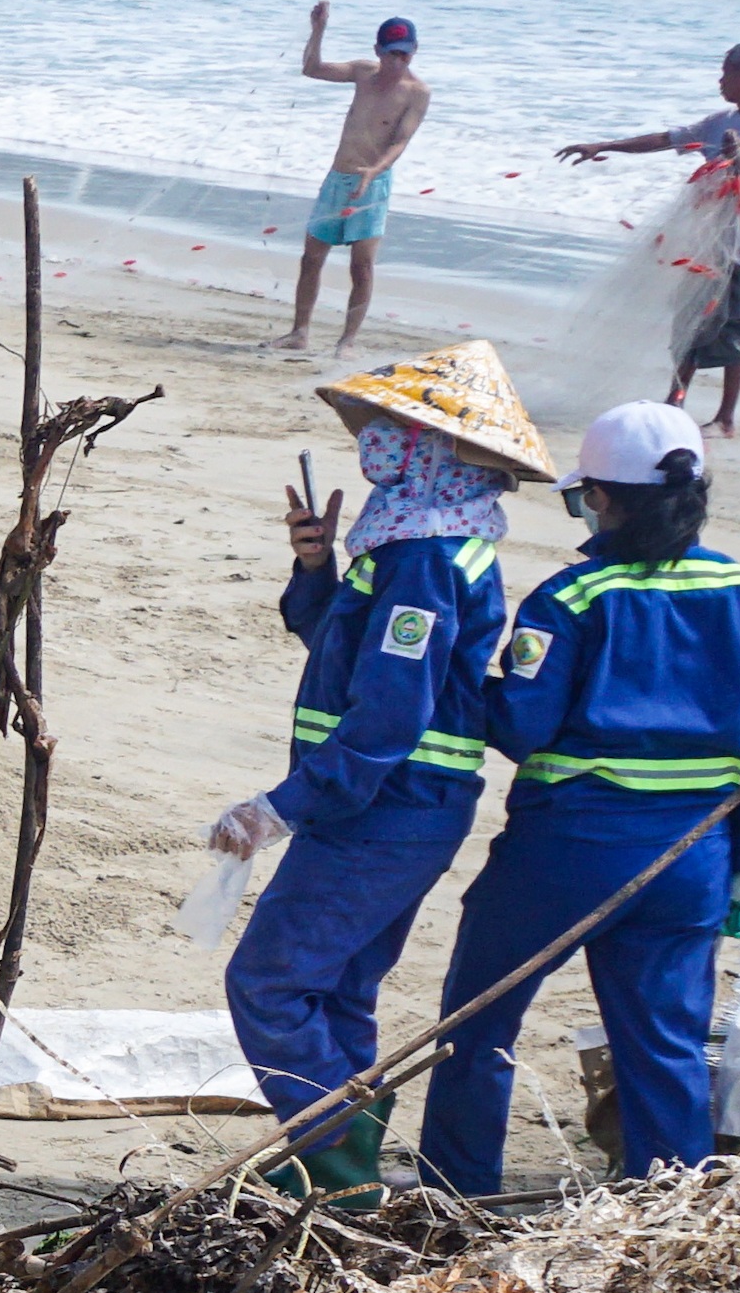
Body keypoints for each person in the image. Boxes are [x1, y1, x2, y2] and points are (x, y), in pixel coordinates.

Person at [414, 400, 740, 1197]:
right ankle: (671, 1210)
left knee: (478, 1023)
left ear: (604, 499)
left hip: (568, 851)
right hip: (693, 855)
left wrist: (460, 678)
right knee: (664, 1042)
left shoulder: (571, 600)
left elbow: (523, 726)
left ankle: (460, 1190)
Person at [207, 340, 544, 1201]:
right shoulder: (414, 542)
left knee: (269, 980)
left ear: (440, 451)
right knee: (343, 988)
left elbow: (390, 714)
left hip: (386, 806)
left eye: (398, 430)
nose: (378, 444)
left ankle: (337, 1158)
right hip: (399, 804)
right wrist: (316, 568)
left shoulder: (429, 559)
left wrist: (281, 808)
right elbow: (341, 649)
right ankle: (339, 1154)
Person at [559, 45, 740, 435]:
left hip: (737, 249)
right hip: (701, 246)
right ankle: (674, 401)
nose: (720, 82)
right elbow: (666, 139)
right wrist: (602, 146)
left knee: (735, 330)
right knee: (686, 326)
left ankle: (725, 417)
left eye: (726, 74)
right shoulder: (721, 120)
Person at [285, 6, 428, 353]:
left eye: (404, 55)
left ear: (413, 52)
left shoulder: (416, 93)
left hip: (373, 185)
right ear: (378, 51)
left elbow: (400, 141)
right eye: (391, 54)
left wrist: (374, 171)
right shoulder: (364, 73)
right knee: (312, 257)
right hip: (338, 177)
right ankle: (299, 334)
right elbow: (312, 69)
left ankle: (347, 340)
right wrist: (318, 30)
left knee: (361, 266)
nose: (397, 63)